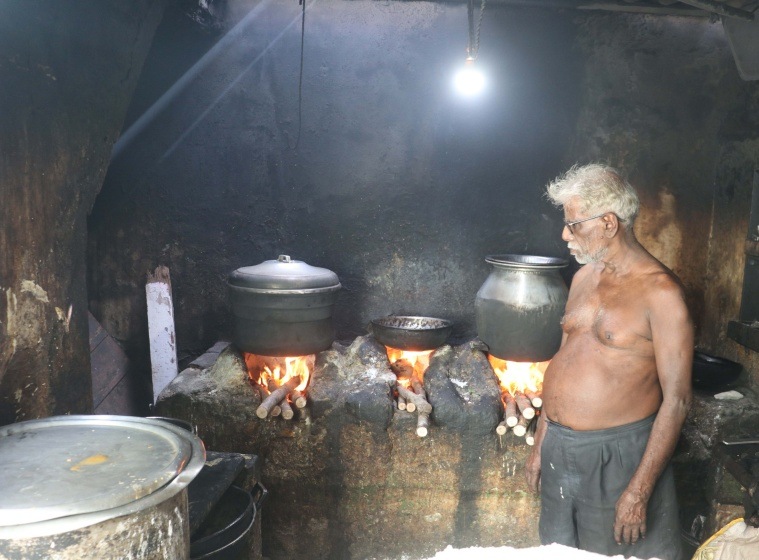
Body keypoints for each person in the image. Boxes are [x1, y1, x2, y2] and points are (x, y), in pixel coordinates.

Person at [526, 164, 693, 560]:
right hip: (560, 452)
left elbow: (677, 401)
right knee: (558, 553)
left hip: (617, 458)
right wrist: (540, 445)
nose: (565, 235)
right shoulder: (584, 278)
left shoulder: (662, 294)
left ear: (608, 223)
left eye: (574, 224)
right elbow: (562, 359)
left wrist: (638, 491)